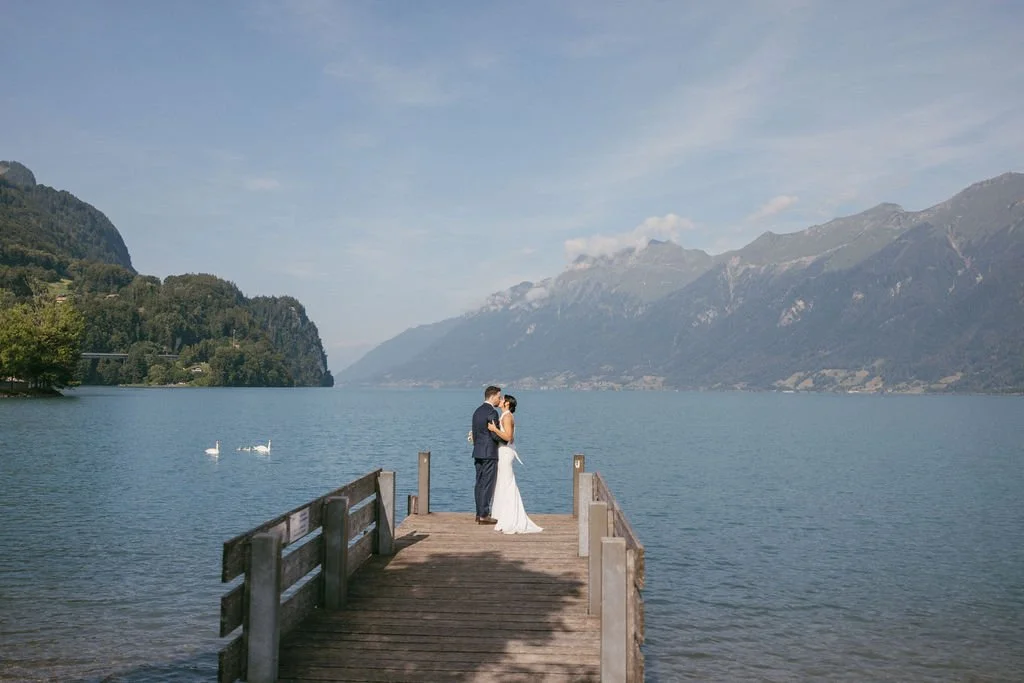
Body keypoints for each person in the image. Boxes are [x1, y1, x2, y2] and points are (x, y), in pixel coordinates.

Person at [487, 394, 542, 534]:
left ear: (507, 404)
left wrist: (494, 430)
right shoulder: (505, 415)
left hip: (506, 452)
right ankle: (501, 514)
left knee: (506, 482)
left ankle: (510, 515)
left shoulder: (507, 417)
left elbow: (509, 437)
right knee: (502, 483)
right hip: (503, 451)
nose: (500, 400)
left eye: (502, 399)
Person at [470, 385, 503, 524]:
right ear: (492, 396)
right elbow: (494, 434)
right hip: (489, 452)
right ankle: (484, 515)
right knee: (488, 483)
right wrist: (506, 440)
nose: (499, 399)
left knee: (479, 483)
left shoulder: (477, 412)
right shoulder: (492, 412)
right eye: (498, 396)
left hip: (478, 452)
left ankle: (479, 513)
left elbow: (476, 433)